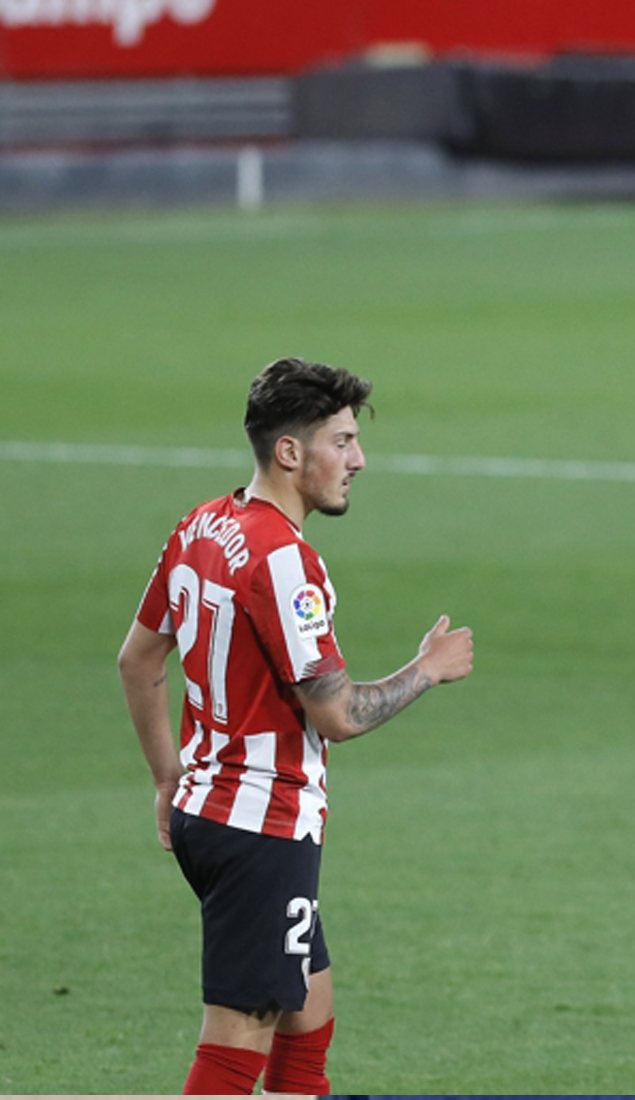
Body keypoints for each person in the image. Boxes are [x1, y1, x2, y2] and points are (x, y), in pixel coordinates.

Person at [115, 358, 475, 1095]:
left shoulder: (202, 525)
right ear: (290, 453)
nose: (358, 459)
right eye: (341, 441)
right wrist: (427, 669)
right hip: (259, 826)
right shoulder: (286, 562)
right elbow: (337, 714)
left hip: (208, 812)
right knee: (237, 1037)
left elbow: (137, 659)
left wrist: (166, 778)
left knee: (309, 1012)